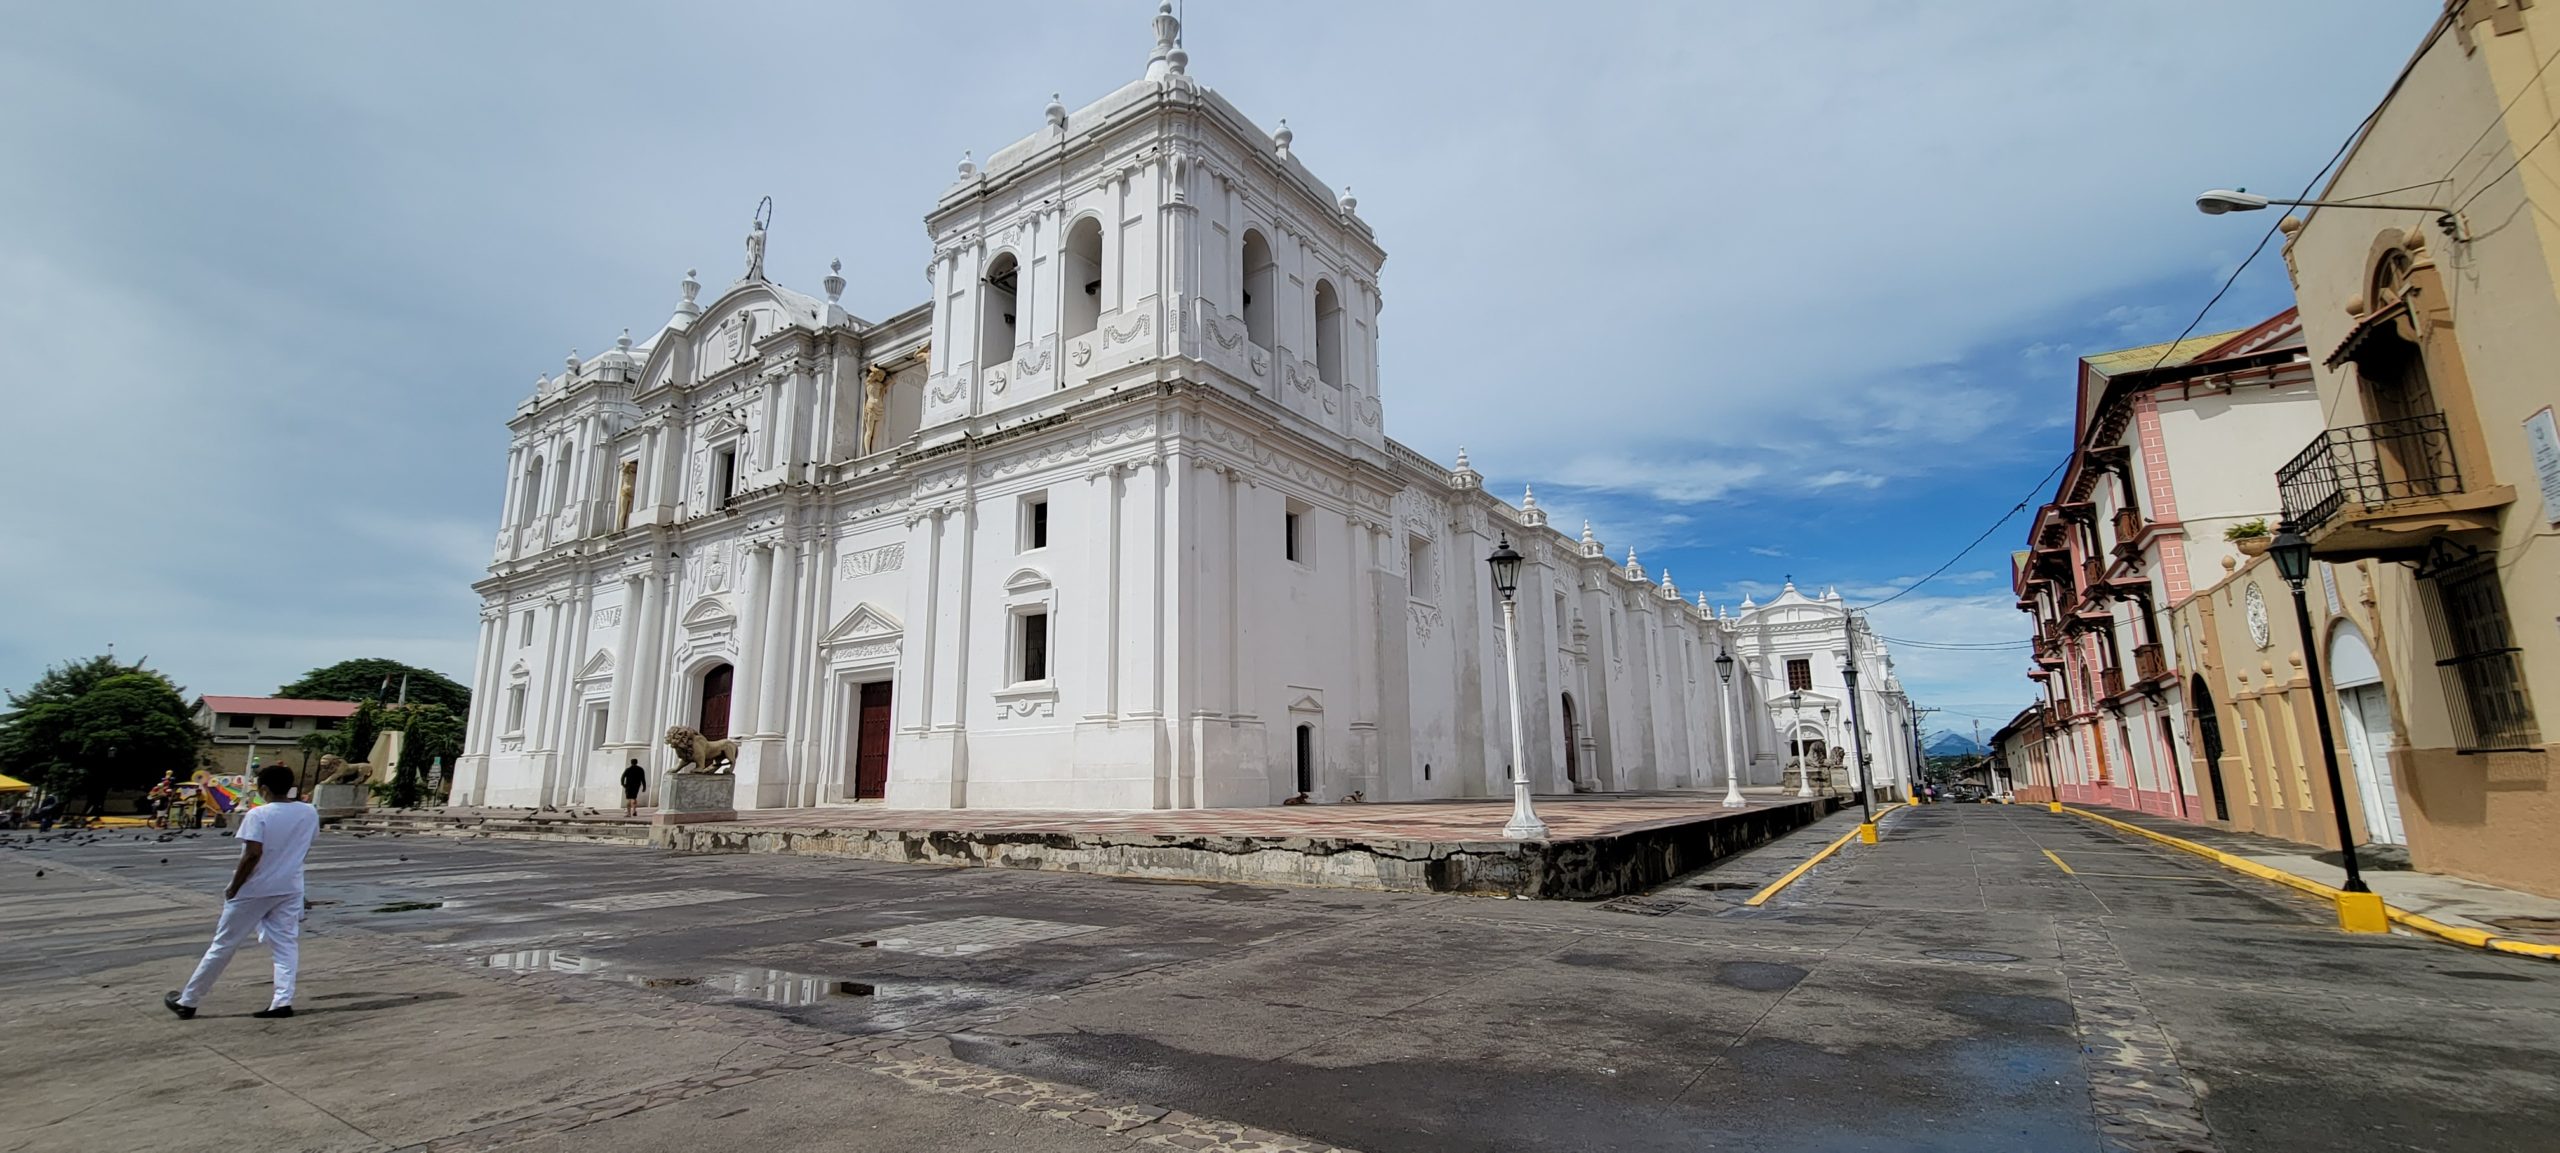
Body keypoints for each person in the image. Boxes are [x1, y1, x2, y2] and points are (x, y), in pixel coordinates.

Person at [164, 765, 316, 1021]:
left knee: (224, 944)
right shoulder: (309, 812)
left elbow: (252, 855)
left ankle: (188, 1000)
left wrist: (234, 886)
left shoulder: (259, 815)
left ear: (263, 788)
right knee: (286, 944)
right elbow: (304, 846)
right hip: (289, 886)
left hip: (255, 888)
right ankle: (282, 1001)